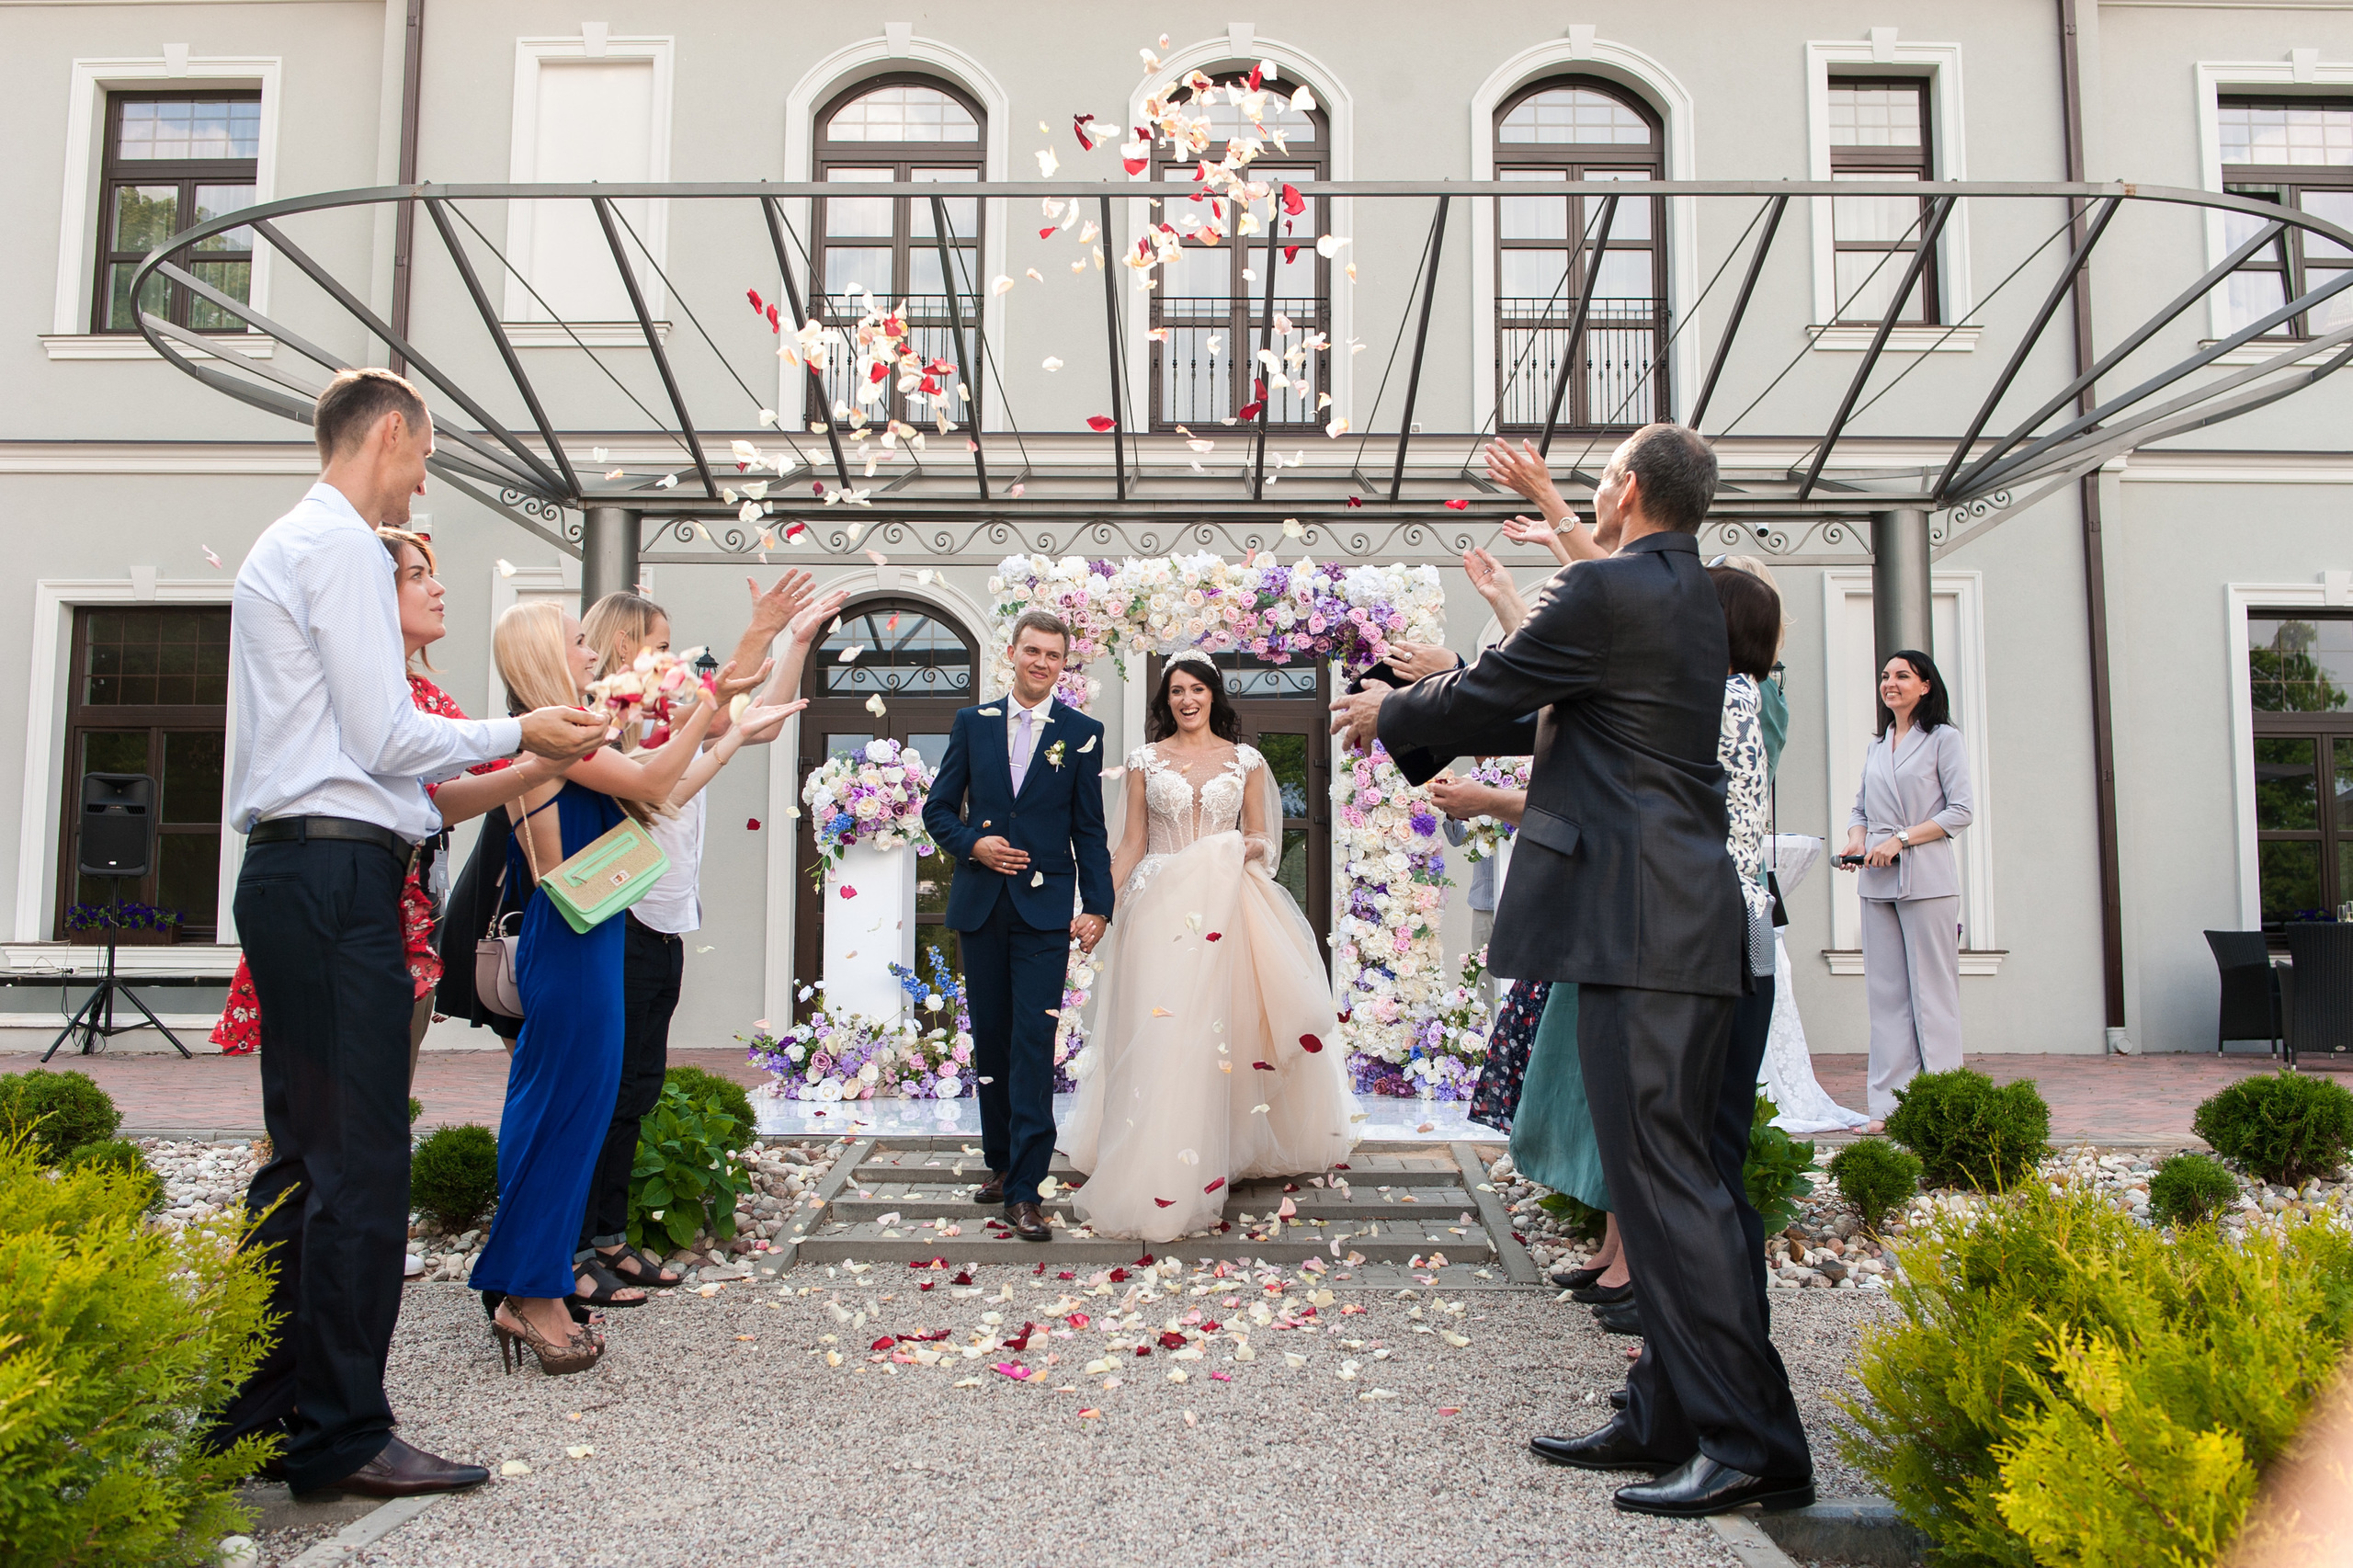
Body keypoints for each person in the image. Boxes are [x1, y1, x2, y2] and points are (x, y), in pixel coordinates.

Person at [1331, 422, 1812, 1518]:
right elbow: (1550, 681)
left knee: (1669, 1187)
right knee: (1674, 1184)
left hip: (1642, 928)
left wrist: (1388, 712)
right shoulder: (1695, 594)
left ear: (1630, 489)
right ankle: (1670, 1409)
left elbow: (1495, 687)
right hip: (1681, 926)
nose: (1593, 498)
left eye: (1599, 482)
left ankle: (1749, 1444)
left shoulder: (1614, 593)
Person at [210, 368, 608, 1497]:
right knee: (360, 1163)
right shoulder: (336, 542)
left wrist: (522, 750)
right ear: (391, 433)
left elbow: (365, 749)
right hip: (335, 877)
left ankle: (260, 1404)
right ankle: (340, 1431)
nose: (422, 483)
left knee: (302, 1161)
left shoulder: (289, 542)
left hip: (298, 869)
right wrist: (522, 726)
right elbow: (387, 736)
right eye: (425, 457)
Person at [470, 601, 792, 1372]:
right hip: (573, 939)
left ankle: (535, 1282)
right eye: (577, 643)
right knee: (560, 1117)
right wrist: (713, 702)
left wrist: (731, 727)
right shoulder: (558, 733)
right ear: (547, 656)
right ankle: (529, 1293)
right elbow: (651, 776)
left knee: (577, 1117)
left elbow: (658, 795)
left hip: (597, 931)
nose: (590, 651)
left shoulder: (576, 730)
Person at [565, 581, 836, 1307]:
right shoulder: (613, 718)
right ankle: (575, 1248)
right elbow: (715, 713)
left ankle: (610, 1238)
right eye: (659, 644)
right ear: (626, 649)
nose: (671, 658)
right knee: (606, 1090)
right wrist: (760, 630)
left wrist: (796, 640)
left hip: (664, 914)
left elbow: (758, 719)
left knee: (637, 1088)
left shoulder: (665, 713)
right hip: (617, 914)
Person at [210, 528, 560, 1087]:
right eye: (417, 576)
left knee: (379, 1096)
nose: (440, 589)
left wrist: (543, 762)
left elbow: (442, 799)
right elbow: (415, 750)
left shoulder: (424, 694)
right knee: (329, 1095)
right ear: (370, 592)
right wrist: (525, 739)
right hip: (342, 893)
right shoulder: (346, 687)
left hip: (405, 914)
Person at [1062, 652, 1360, 1242]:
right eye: (1176, 691)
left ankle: (1215, 1149)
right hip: (1160, 910)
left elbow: (1261, 838)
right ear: (1165, 700)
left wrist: (1227, 852)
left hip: (1227, 905)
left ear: (1213, 696)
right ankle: (1156, 1146)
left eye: (1197, 689)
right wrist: (1096, 907)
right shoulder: (1146, 760)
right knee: (1163, 1026)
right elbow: (1129, 845)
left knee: (1222, 1030)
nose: (1187, 699)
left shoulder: (1245, 761)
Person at [920, 611, 1115, 1242]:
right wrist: (973, 846)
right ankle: (1002, 1163)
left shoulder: (1082, 732)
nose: (1041, 662)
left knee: (1034, 1043)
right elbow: (938, 809)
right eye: (1032, 651)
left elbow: (1089, 826)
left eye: (1053, 655)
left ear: (1064, 664)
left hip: (1043, 913)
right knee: (994, 1042)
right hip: (981, 906)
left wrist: (1099, 903)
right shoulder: (971, 725)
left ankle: (1027, 1191)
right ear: (1012, 654)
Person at [1721, 557, 1867, 1137]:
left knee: (1746, 1006)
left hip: (1732, 886)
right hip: (1746, 889)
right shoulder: (1758, 690)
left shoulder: (1747, 696)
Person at [1839, 649, 1974, 1119]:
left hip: (1928, 881)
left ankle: (1943, 1107)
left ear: (1925, 685)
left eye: (1902, 675)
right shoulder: (1877, 746)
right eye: (1884, 676)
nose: (1890, 683)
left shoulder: (1943, 739)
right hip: (1876, 883)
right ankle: (1890, 1110)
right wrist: (1857, 841)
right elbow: (1860, 810)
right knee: (1887, 997)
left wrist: (1899, 839)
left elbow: (1960, 811)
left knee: (1933, 997)